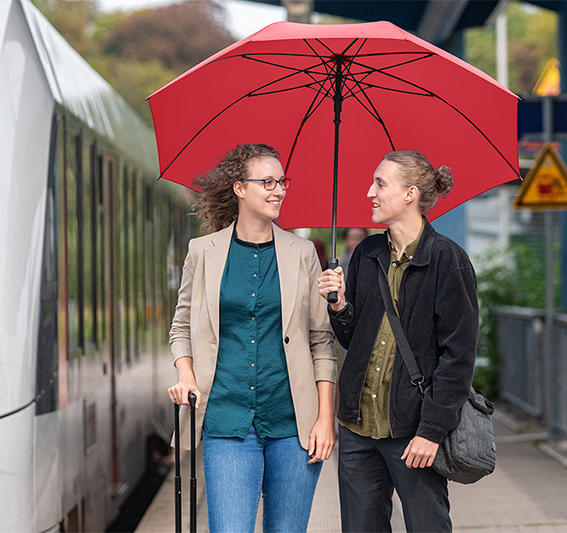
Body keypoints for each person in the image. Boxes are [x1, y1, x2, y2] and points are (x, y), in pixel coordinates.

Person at [168, 143, 337, 532]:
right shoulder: (203, 251)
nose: (278, 190)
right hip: (225, 421)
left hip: (293, 425)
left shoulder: (303, 253)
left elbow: (321, 342)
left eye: (282, 181)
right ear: (239, 188)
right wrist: (186, 375)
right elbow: (181, 326)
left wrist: (324, 419)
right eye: (267, 182)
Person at [316, 150, 479, 532]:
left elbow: (458, 357)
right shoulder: (367, 254)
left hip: (413, 431)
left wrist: (432, 431)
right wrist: (339, 304)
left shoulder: (447, 260)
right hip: (358, 429)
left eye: (379, 183)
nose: (369, 192)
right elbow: (352, 339)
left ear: (410, 194)